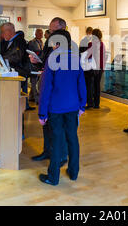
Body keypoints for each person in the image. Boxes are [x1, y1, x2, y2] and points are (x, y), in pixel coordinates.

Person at [37, 29, 86, 185]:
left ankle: (53, 177)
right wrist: (82, 104)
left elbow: (45, 89)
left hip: (55, 108)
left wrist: (42, 113)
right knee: (72, 138)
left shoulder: (53, 58)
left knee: (56, 141)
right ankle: (73, 172)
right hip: (72, 107)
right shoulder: (75, 58)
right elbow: (81, 83)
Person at [30, 17, 68, 162]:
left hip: (58, 93)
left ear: (62, 29)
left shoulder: (67, 48)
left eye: (53, 30)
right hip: (49, 89)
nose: (50, 32)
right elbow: (47, 60)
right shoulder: (51, 42)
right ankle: (48, 151)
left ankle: (61, 156)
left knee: (59, 127)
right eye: (50, 30)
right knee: (47, 124)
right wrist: (38, 62)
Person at [0, 22, 35, 111]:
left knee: (18, 104)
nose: (2, 34)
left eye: (4, 32)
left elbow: (16, 58)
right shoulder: (7, 42)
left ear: (10, 31)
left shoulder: (20, 42)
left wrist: (1, 59)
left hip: (19, 74)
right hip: (13, 74)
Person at [84, 28, 106, 109]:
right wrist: (103, 67)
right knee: (97, 86)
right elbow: (103, 56)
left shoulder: (91, 44)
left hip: (92, 67)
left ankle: (90, 103)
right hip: (99, 68)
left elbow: (88, 56)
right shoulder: (102, 44)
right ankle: (97, 104)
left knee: (89, 86)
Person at [27, 29, 44, 104]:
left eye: (42, 33)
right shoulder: (32, 42)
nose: (41, 35)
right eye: (39, 33)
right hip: (33, 64)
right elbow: (30, 53)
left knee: (36, 81)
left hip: (39, 64)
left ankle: (31, 97)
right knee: (34, 82)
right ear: (36, 34)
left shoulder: (41, 42)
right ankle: (37, 99)